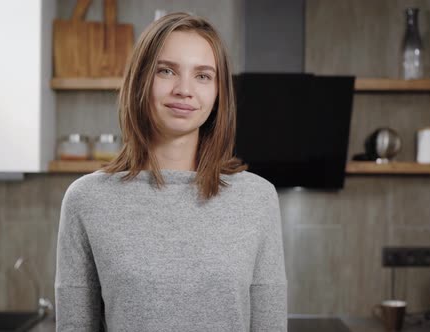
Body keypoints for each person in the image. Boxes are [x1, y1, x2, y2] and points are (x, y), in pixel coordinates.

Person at [55, 12, 287, 332]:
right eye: (166, 71)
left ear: (219, 93)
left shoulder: (257, 198)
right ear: (141, 80)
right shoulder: (86, 199)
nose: (184, 90)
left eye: (203, 76)